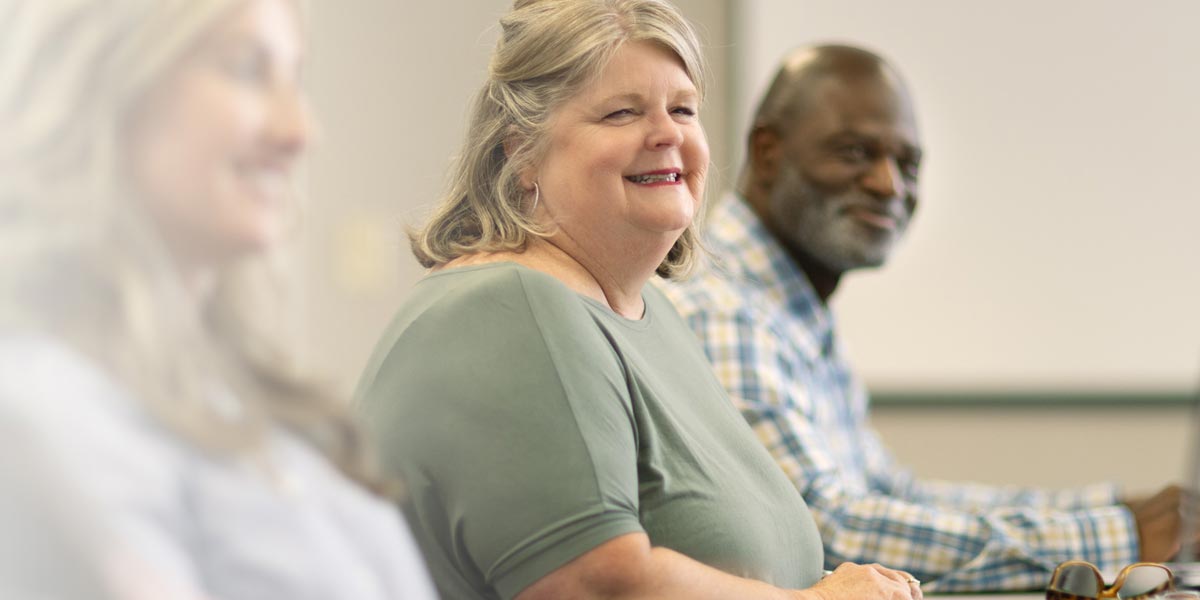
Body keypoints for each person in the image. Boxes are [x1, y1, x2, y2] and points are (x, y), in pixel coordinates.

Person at [355, 2, 923, 600]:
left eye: (683, 109)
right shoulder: (510, 306)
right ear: (521, 156)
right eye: (622, 112)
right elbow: (593, 583)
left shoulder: (657, 316)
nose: (668, 133)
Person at [659, 43, 1193, 592]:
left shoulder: (787, 306)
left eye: (908, 163)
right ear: (767, 152)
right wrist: (1111, 537)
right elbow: (821, 529)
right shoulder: (725, 309)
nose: (889, 184)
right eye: (854, 152)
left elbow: (890, 494)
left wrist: (1113, 511)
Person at [0, 1, 437, 598]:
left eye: (294, 78)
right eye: (246, 69)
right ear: (107, 82)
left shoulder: (247, 395)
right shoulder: (42, 408)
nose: (300, 130)